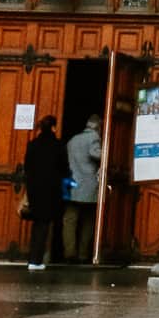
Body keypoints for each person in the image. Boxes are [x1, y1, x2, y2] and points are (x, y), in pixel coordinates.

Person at [20, 117, 67, 270]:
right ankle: (36, 260)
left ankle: (33, 259)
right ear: (53, 128)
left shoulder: (32, 145)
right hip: (51, 189)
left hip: (35, 188)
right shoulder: (58, 145)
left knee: (37, 223)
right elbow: (64, 168)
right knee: (44, 224)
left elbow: (27, 167)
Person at [63, 113, 103, 263]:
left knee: (70, 220)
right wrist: (108, 154)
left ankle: (69, 252)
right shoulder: (94, 137)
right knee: (88, 220)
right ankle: (83, 254)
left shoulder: (73, 139)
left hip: (73, 184)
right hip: (88, 185)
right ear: (98, 126)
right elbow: (94, 153)